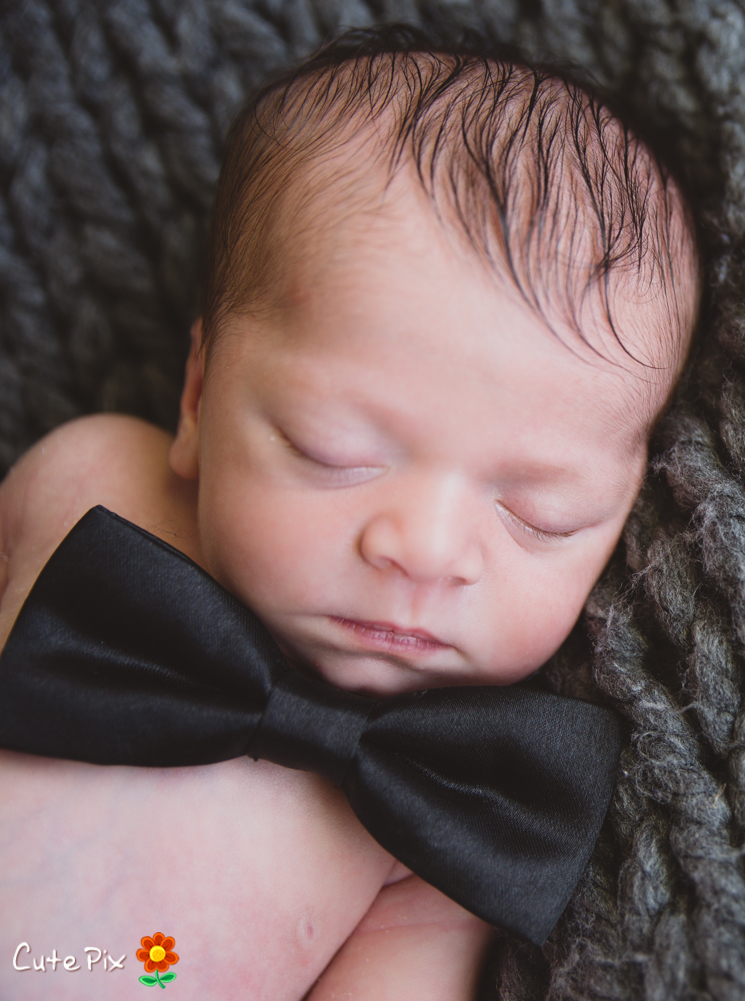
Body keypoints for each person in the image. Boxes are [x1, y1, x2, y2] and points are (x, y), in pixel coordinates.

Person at [0, 25, 698, 1001]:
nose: (425, 549)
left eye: (542, 514)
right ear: (198, 397)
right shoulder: (93, 480)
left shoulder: (453, 808)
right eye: (334, 450)